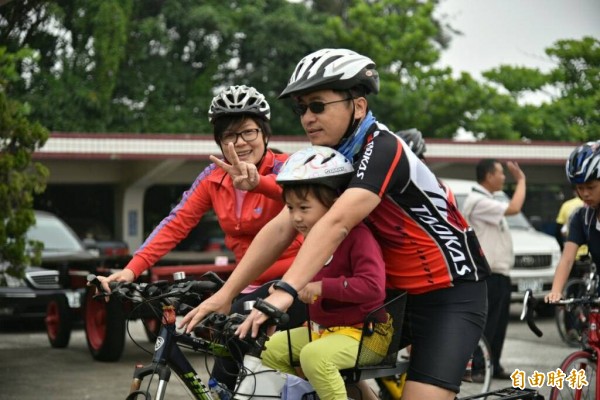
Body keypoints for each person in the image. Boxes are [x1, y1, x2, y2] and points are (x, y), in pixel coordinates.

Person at [180, 48, 490, 400]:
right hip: (391, 298)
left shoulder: (384, 147)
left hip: (450, 294)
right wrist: (226, 294)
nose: (307, 118)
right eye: (301, 108)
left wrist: (285, 291)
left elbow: (337, 223)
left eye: (317, 105)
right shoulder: (331, 159)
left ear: (357, 106)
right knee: (302, 357)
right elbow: (283, 226)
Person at [96, 85, 304, 388]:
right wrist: (131, 269)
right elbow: (176, 223)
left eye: (248, 132)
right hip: (245, 285)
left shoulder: (290, 167)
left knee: (271, 373)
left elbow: (305, 198)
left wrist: (260, 183)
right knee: (223, 378)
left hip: (295, 281)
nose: (240, 143)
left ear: (264, 133)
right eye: (229, 136)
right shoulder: (212, 177)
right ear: (219, 141)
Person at [260, 145, 392, 400]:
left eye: (304, 208)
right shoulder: (310, 239)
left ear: (333, 204)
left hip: (368, 334)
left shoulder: (358, 236)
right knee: (271, 348)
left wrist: (322, 288)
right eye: (290, 208)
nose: (296, 218)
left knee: (314, 356)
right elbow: (300, 281)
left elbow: (373, 287)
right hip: (326, 330)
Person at [461, 159, 526, 380]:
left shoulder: (487, 199)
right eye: (500, 173)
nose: (504, 177)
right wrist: (522, 181)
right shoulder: (479, 201)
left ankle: (493, 365)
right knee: (487, 324)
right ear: (489, 176)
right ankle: (479, 367)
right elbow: (515, 208)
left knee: (498, 324)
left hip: (499, 273)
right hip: (488, 274)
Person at [546, 140, 600, 303]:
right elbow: (567, 258)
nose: (584, 194)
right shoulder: (582, 217)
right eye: (579, 188)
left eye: (591, 187)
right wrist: (556, 291)